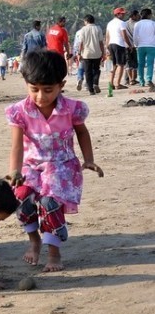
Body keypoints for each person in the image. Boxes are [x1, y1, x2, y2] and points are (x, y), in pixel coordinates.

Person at [6, 50, 103, 273]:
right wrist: (14, 170)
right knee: (21, 198)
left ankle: (54, 252)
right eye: (34, 89)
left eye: (48, 90)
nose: (41, 96)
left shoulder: (72, 109)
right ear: (26, 84)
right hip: (31, 166)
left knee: (50, 203)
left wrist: (88, 160)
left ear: (61, 85)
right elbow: (17, 145)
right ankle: (33, 239)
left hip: (62, 165)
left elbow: (82, 133)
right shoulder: (19, 112)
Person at [72, 14, 105, 95]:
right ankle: (95, 83)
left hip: (86, 54)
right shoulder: (98, 28)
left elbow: (81, 43)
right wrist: (103, 52)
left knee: (88, 71)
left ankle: (91, 90)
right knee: (96, 70)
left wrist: (79, 53)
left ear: (86, 21)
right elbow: (101, 42)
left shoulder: (83, 29)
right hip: (97, 53)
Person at [105, 7, 130, 89]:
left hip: (111, 44)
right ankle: (117, 84)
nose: (123, 15)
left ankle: (111, 83)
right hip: (119, 44)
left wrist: (107, 46)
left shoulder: (109, 23)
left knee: (114, 65)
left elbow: (107, 36)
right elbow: (124, 35)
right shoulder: (121, 23)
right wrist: (129, 45)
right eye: (122, 14)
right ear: (117, 14)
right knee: (121, 64)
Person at [133, 8, 155, 88]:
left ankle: (141, 81)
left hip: (141, 46)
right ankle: (149, 79)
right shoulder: (153, 23)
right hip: (151, 46)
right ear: (149, 15)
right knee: (150, 64)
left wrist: (136, 44)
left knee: (140, 64)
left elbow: (135, 36)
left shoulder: (137, 24)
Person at [125, 10, 140, 86]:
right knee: (134, 63)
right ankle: (132, 79)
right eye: (137, 15)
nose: (138, 16)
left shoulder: (124, 24)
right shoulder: (136, 24)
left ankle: (129, 80)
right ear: (133, 16)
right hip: (133, 45)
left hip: (126, 46)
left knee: (128, 63)